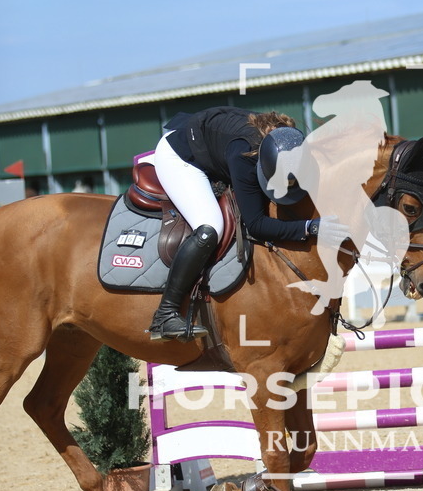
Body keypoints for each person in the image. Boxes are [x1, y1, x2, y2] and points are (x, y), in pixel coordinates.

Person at [148, 106, 347, 341]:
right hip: (180, 156)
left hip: (214, 137)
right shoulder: (243, 156)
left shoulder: (292, 143)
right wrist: (309, 227)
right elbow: (256, 225)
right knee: (210, 227)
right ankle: (165, 314)